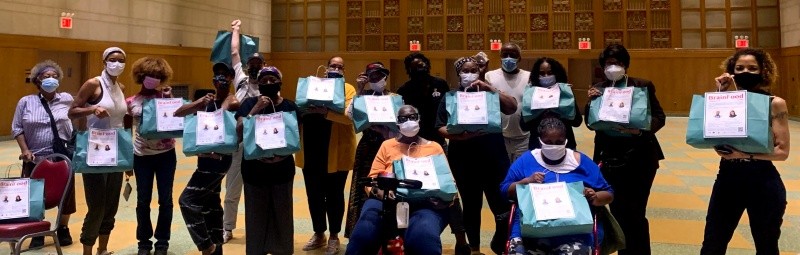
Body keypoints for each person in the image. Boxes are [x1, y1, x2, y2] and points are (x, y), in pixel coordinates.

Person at [701, 48, 790, 254]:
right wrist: (721, 93)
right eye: (739, 68)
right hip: (727, 178)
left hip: (763, 181)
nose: (746, 72)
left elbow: (782, 152)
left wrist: (745, 155)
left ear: (763, 71)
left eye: (753, 68)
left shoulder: (774, 103)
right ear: (731, 71)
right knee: (713, 243)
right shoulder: (724, 100)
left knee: (766, 245)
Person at [585, 44, 666, 255]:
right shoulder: (599, 88)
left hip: (640, 156)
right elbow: (590, 123)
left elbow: (659, 117)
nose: (614, 67)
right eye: (609, 63)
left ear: (626, 65)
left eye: (618, 63)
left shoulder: (642, 85)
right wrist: (590, 103)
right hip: (609, 156)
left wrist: (639, 131)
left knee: (636, 212)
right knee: (616, 209)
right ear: (603, 67)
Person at [346, 105, 452, 254]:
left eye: (412, 117)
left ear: (419, 120)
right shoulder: (387, 145)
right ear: (397, 124)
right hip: (385, 201)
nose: (409, 121)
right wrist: (382, 193)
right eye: (403, 119)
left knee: (423, 239)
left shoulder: (434, 148)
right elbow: (373, 178)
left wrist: (444, 200)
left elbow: (448, 182)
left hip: (425, 204)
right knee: (363, 235)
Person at [438, 57, 518, 254]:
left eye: (474, 70)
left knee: (501, 203)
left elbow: (512, 107)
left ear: (480, 72)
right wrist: (461, 136)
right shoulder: (450, 96)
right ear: (459, 74)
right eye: (465, 70)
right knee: (471, 204)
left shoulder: (490, 94)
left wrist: (489, 88)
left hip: (494, 157)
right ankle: (474, 248)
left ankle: (501, 244)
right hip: (464, 158)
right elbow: (439, 127)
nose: (470, 73)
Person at [501, 118, 614, 255]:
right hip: (530, 231)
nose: (554, 146)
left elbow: (609, 194)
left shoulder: (581, 162)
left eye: (559, 142)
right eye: (548, 142)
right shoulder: (526, 161)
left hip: (574, 231)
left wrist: (595, 197)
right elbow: (504, 190)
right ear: (540, 141)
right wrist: (525, 181)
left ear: (566, 140)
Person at [174, 62, 240, 255]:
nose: (221, 78)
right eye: (217, 75)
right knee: (211, 207)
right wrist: (200, 102)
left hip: (219, 160)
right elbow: (178, 113)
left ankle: (206, 246)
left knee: (187, 201)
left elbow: (222, 115)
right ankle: (216, 249)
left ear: (230, 79)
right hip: (204, 159)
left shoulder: (233, 99)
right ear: (212, 79)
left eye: (225, 75)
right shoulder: (207, 101)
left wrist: (217, 100)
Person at [69, 47, 130, 255]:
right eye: (112, 59)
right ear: (104, 61)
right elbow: (72, 111)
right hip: (95, 151)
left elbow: (122, 120)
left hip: (116, 151)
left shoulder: (120, 86)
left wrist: (128, 160)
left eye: (121, 60)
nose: (117, 63)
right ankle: (87, 249)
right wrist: (91, 109)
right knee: (97, 205)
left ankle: (103, 249)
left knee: (111, 205)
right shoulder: (93, 84)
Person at [12, 60, 76, 248]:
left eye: (55, 76)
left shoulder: (67, 99)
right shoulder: (26, 102)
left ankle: (63, 228)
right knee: (35, 195)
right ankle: (37, 230)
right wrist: (25, 149)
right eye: (46, 76)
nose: (51, 79)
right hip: (35, 157)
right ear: (37, 80)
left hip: (62, 155)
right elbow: (16, 128)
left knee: (67, 193)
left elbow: (81, 111)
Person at [296, 56, 357, 255]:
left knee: (334, 196)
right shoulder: (311, 85)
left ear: (344, 70)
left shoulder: (348, 90)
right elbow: (299, 108)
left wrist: (325, 112)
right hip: (312, 151)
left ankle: (333, 236)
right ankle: (319, 233)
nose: (336, 69)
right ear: (326, 68)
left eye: (340, 66)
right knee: (314, 196)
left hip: (336, 153)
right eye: (333, 65)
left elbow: (350, 118)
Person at [235, 66, 297, 255]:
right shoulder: (248, 104)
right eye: (264, 80)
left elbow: (295, 136)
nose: (268, 83)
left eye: (272, 79)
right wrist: (255, 110)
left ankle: (282, 251)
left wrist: (283, 154)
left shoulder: (289, 106)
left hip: (282, 169)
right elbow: (238, 131)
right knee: (255, 216)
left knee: (282, 216)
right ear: (258, 84)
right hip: (255, 170)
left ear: (280, 82)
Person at [125, 57, 177, 255]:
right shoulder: (131, 102)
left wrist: (169, 99)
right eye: (149, 75)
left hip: (166, 155)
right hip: (141, 156)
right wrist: (127, 160)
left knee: (166, 200)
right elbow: (126, 131)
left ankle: (162, 242)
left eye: (157, 76)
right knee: (142, 200)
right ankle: (144, 243)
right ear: (141, 76)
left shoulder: (165, 98)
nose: (153, 79)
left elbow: (176, 120)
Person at [222, 19, 267, 243]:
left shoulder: (269, 84)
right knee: (232, 187)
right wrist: (236, 30)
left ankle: (261, 228)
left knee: (259, 188)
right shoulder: (240, 80)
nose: (255, 67)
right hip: (238, 140)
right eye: (252, 63)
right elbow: (233, 51)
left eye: (259, 64)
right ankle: (227, 227)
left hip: (260, 142)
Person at [344, 62, 396, 238]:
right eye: (372, 76)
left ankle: (388, 232)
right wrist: (359, 89)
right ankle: (360, 232)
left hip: (390, 146)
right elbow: (349, 115)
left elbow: (401, 125)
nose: (376, 79)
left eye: (379, 76)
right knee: (363, 187)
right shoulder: (363, 96)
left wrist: (386, 132)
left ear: (386, 77)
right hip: (367, 146)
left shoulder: (395, 97)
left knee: (389, 187)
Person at [521, 57, 582, 150]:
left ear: (557, 73)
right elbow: (524, 126)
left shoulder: (565, 92)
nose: (546, 76)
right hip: (538, 146)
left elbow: (577, 121)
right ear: (536, 75)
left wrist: (561, 110)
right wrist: (542, 110)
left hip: (565, 145)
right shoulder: (531, 95)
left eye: (550, 73)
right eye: (542, 73)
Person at [485, 43, 531, 162]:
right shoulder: (489, 76)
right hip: (499, 136)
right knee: (502, 173)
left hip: (524, 137)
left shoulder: (529, 77)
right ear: (500, 56)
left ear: (519, 58)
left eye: (513, 55)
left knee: (520, 173)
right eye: (505, 55)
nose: (508, 58)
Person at [396, 52, 451, 149]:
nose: (420, 69)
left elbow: (449, 108)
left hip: (438, 138)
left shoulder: (440, 84)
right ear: (409, 70)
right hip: (414, 139)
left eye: (422, 65)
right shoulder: (404, 90)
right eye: (415, 67)